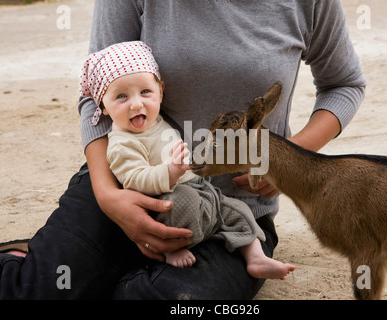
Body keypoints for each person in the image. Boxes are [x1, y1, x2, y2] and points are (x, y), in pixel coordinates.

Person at [0, 0, 365, 299]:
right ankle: (24, 261)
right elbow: (94, 97)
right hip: (124, 186)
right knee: (40, 289)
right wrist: (107, 196)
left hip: (226, 215)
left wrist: (292, 158)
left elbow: (344, 84)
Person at [80, 40, 295, 278]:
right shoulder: (122, 143)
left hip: (199, 188)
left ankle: (255, 256)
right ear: (104, 107)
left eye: (145, 92)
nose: (137, 103)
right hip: (165, 195)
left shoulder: (154, 119)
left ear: (160, 92)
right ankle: (174, 249)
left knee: (237, 209)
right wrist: (170, 171)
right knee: (183, 204)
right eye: (121, 96)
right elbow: (133, 178)